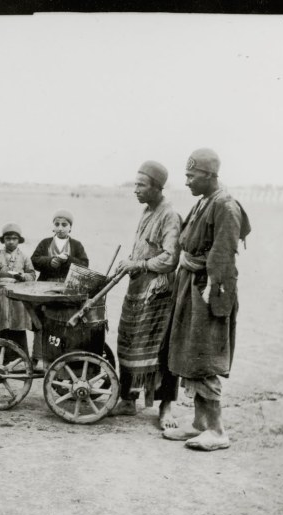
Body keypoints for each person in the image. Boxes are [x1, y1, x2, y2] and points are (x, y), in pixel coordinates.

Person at [162, 148, 251, 451]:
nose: (186, 181)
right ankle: (200, 423)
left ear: (209, 175)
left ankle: (216, 430)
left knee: (205, 355)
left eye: (191, 175)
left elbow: (223, 257)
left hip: (208, 292)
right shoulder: (204, 203)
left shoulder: (225, 206)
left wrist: (211, 293)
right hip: (191, 286)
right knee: (190, 352)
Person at [109, 161, 182, 429]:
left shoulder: (169, 215)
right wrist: (130, 260)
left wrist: (138, 265)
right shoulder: (146, 210)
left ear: (157, 187)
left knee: (159, 350)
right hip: (137, 288)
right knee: (127, 341)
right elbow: (144, 247)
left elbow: (170, 257)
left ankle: (166, 408)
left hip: (158, 294)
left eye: (141, 185)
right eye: (135, 184)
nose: (135, 190)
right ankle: (128, 400)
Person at [30, 210, 89, 370]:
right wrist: (50, 262)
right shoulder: (45, 243)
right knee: (42, 322)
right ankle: (40, 359)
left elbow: (84, 264)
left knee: (64, 323)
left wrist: (68, 260)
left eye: (64, 224)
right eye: (57, 224)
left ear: (70, 228)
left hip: (67, 291)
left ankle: (63, 359)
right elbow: (34, 260)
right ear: (53, 227)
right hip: (45, 289)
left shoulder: (76, 245)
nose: (61, 228)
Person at [0, 223, 36, 361]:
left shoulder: (24, 257)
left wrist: (23, 277)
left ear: (18, 240)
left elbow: (32, 276)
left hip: (17, 297)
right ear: (3, 240)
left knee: (17, 327)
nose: (11, 241)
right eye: (8, 238)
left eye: (14, 238)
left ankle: (19, 361)